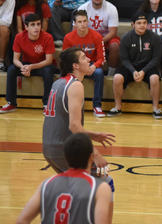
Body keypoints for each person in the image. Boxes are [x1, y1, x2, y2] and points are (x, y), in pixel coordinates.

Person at [40, 47, 116, 217]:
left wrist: (92, 134)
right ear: (75, 65)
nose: (88, 59)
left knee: (76, 189)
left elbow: (67, 123)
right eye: (83, 57)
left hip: (49, 148)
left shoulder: (58, 82)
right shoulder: (76, 86)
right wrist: (95, 154)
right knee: (105, 183)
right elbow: (74, 127)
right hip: (64, 150)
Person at [17, 133, 113, 224]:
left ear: (66, 157)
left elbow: (22, 221)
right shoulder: (100, 188)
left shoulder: (46, 184)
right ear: (91, 157)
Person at [107, 12, 162, 118]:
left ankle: (156, 108)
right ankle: (117, 107)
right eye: (139, 23)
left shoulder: (155, 38)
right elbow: (124, 59)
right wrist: (133, 71)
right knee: (117, 77)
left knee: (155, 78)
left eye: (144, 23)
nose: (142, 25)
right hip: (131, 67)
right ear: (133, 24)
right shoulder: (126, 38)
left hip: (148, 67)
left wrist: (143, 71)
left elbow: (156, 59)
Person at [0, 13, 55, 113]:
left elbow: (48, 60)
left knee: (48, 71)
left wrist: (31, 67)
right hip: (27, 63)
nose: (36, 27)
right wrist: (24, 67)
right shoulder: (19, 37)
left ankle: (47, 104)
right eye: (33, 25)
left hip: (42, 65)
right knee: (11, 69)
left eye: (38, 24)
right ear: (26, 27)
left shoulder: (48, 37)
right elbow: (15, 59)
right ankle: (11, 103)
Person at [63, 10, 107, 117]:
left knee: (99, 73)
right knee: (64, 74)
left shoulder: (97, 36)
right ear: (75, 23)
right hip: (75, 65)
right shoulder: (68, 38)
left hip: (91, 64)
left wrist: (94, 66)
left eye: (84, 21)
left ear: (88, 22)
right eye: (79, 22)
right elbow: (65, 58)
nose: (82, 24)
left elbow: (102, 58)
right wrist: (76, 67)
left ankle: (97, 106)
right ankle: (64, 103)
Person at [78, 0, 121, 76]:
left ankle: (111, 74)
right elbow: (75, 31)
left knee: (115, 46)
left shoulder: (111, 8)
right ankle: (82, 71)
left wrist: (98, 41)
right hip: (88, 37)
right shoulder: (82, 8)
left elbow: (113, 32)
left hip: (105, 38)